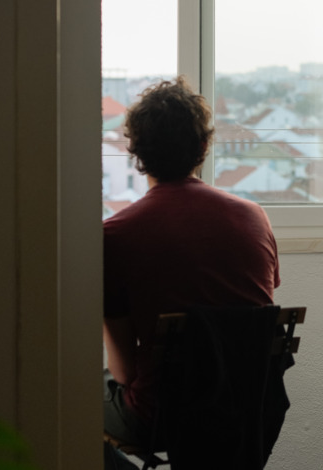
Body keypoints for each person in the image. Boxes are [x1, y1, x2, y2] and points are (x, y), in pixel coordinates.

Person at [103, 76, 282, 469]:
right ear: (203, 147)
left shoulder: (114, 236)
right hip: (248, 412)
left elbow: (123, 371)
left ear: (138, 154)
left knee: (62, 398)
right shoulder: (254, 217)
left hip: (161, 419)